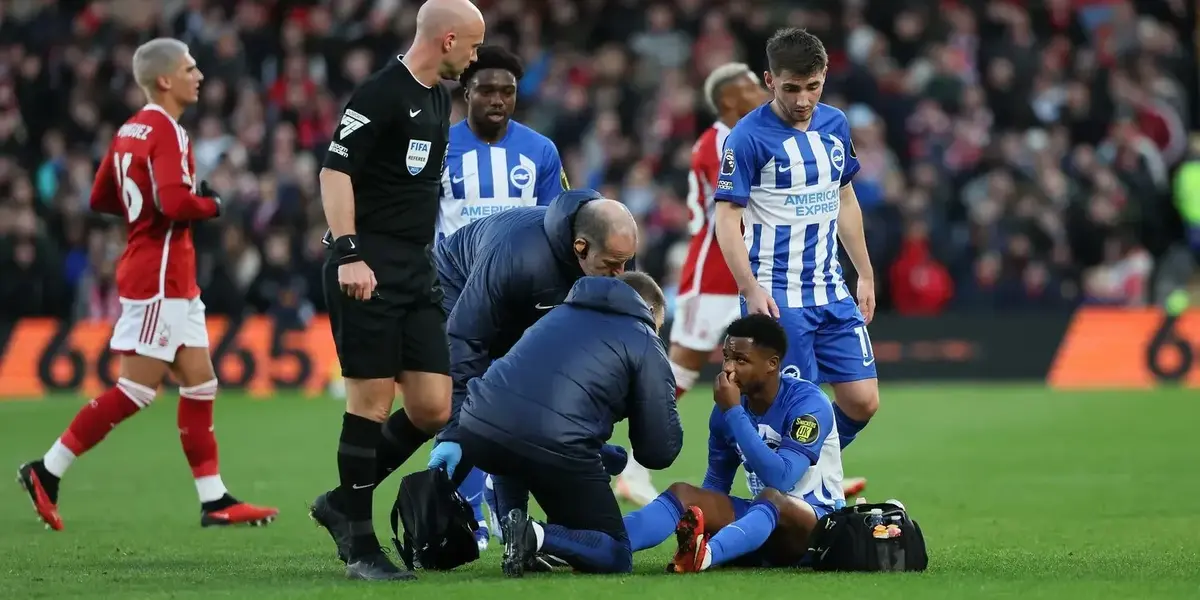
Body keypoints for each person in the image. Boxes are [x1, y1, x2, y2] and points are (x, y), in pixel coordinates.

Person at [15, 38, 278, 531]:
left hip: (168, 274)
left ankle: (214, 498)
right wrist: (214, 205)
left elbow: (100, 196)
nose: (199, 75)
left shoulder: (129, 130)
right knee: (136, 391)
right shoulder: (167, 131)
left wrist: (143, 213)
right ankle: (46, 471)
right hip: (159, 278)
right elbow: (176, 202)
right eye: (190, 67)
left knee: (200, 383)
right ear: (165, 80)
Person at [308, 0, 485, 582]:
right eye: (474, 46)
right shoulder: (380, 92)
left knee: (433, 407)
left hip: (415, 268)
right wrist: (349, 251)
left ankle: (341, 501)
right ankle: (360, 547)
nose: (476, 56)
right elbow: (334, 171)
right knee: (370, 405)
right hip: (370, 264)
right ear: (449, 38)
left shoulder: (438, 94)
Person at [438, 272, 682, 577]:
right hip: (552, 442)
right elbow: (659, 450)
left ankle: (514, 523)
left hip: (478, 426)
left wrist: (605, 454)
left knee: (511, 432)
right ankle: (534, 535)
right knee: (617, 553)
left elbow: (533, 403)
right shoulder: (643, 337)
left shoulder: (557, 314)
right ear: (650, 313)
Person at [713, 28, 880, 462]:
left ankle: (802, 466)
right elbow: (727, 219)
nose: (803, 99)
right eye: (791, 88)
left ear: (824, 76)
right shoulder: (747, 137)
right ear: (770, 81)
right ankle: (781, 491)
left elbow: (844, 198)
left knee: (863, 401)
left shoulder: (835, 124)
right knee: (787, 410)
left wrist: (864, 272)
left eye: (812, 86)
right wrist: (749, 287)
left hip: (831, 289)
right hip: (777, 294)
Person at [614, 62, 768, 508]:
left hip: (749, 269)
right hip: (713, 271)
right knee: (681, 369)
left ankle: (802, 465)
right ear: (727, 101)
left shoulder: (747, 134)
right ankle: (631, 466)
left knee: (770, 364)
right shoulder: (719, 142)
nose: (760, 90)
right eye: (751, 86)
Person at [435, 43, 569, 549]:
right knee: (461, 401)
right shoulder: (439, 147)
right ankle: (469, 510)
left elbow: (555, 227)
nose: (497, 99)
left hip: (520, 303)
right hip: (454, 295)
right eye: (486, 89)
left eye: (507, 91)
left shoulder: (540, 151)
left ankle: (507, 503)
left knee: (518, 403)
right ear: (465, 91)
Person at [622, 314, 843, 572]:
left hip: (817, 529)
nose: (728, 368)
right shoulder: (727, 411)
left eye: (741, 360)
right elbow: (716, 483)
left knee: (772, 496)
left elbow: (782, 478)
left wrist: (735, 413)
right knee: (684, 494)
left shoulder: (809, 404)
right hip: (760, 525)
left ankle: (706, 556)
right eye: (726, 356)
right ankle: (609, 543)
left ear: (772, 364)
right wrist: (701, 519)